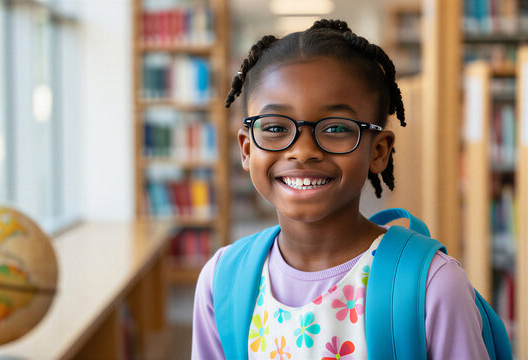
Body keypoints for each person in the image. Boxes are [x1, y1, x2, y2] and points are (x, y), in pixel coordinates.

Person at [192, 19, 488, 359]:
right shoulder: (222, 281)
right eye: (274, 127)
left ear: (378, 151)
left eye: (335, 128)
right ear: (246, 149)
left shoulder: (432, 286)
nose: (302, 151)